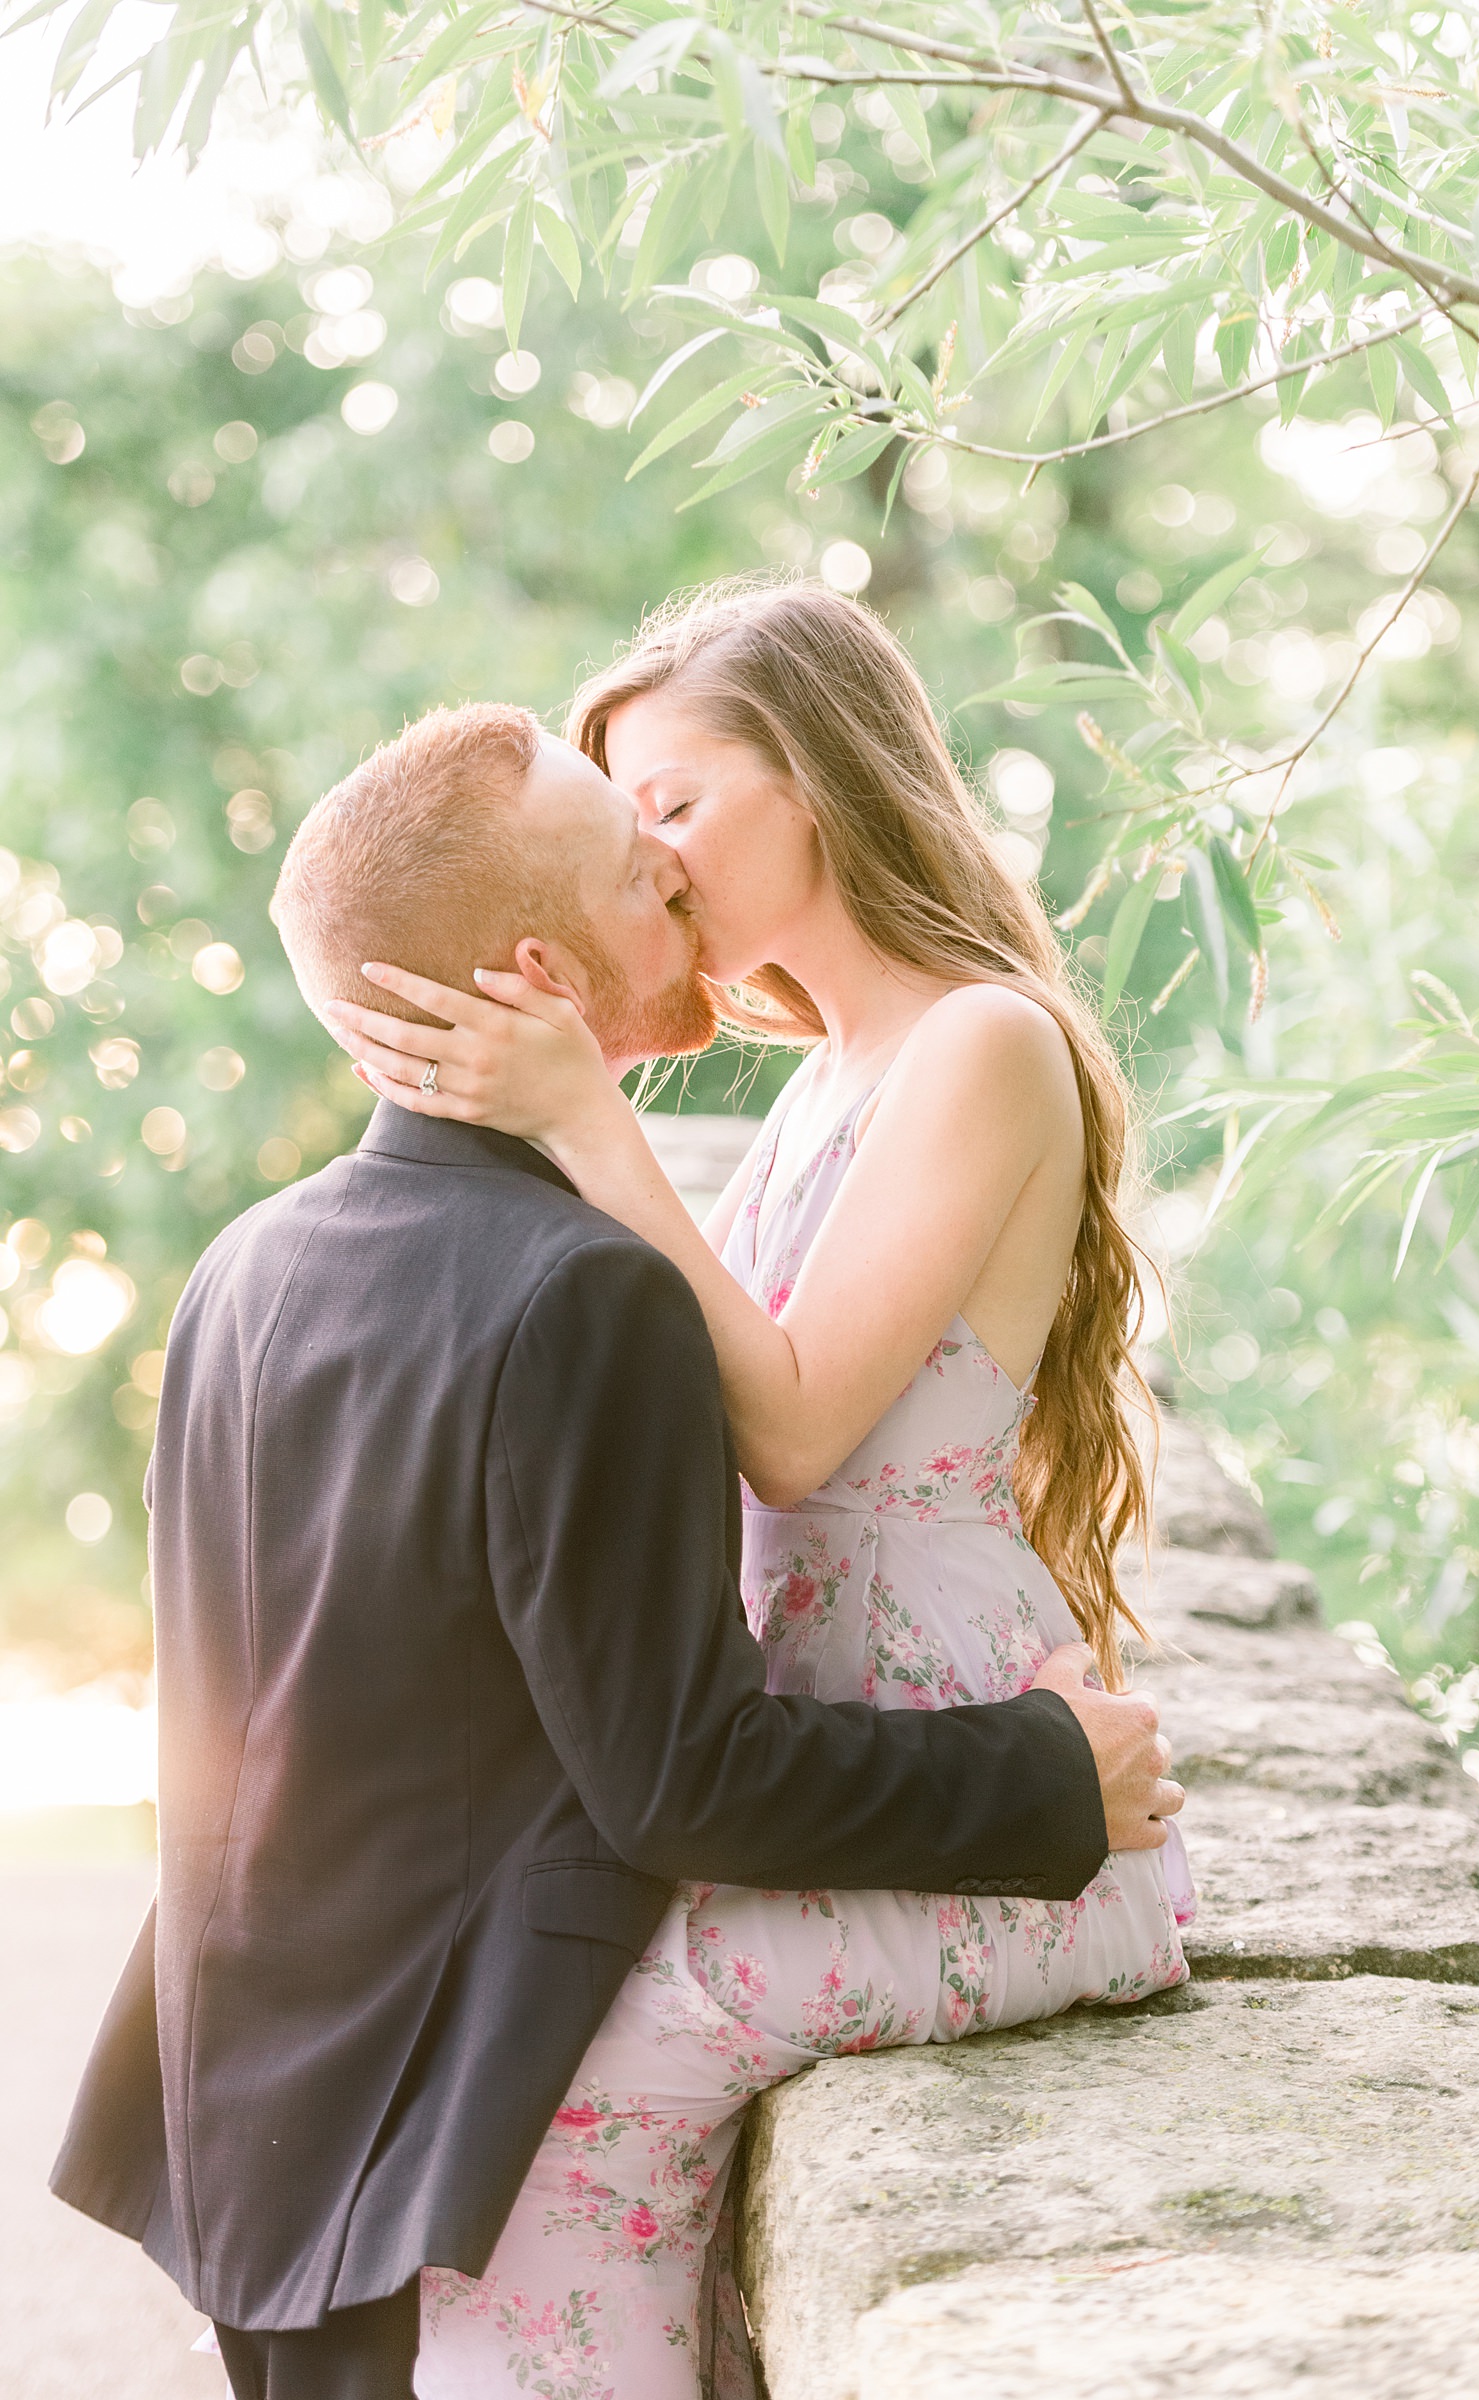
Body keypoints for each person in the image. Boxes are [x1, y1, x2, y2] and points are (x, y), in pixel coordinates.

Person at [49, 697, 1182, 2400]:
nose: (672, 871)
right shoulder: (583, 1296)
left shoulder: (248, 1267)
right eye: (630, 856)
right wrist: (1038, 1780)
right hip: (452, 2143)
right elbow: (680, 1780)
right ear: (541, 972)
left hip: (263, 2123)